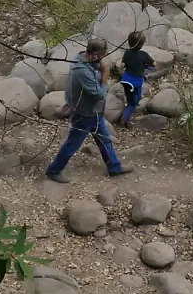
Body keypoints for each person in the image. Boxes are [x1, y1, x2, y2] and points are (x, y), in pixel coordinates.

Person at [44, 38, 132, 183]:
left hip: (93, 113)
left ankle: (114, 167)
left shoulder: (83, 59)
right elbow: (99, 95)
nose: (103, 59)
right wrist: (105, 75)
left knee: (104, 139)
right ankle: (54, 170)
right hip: (85, 114)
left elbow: (74, 86)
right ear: (95, 54)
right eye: (102, 55)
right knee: (72, 144)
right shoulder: (82, 72)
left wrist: (69, 101)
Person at [118, 30, 155, 128]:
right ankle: (125, 118)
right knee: (135, 100)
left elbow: (122, 65)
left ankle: (129, 106)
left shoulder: (127, 53)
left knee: (129, 96)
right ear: (142, 44)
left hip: (126, 80)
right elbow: (154, 64)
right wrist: (148, 65)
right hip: (135, 83)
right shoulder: (143, 55)